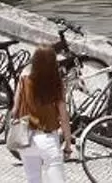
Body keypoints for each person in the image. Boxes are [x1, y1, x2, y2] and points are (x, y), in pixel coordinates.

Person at [12, 42, 69, 182]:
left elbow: (15, 109)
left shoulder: (24, 79)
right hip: (48, 139)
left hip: (27, 137)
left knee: (33, 179)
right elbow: (64, 117)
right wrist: (67, 142)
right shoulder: (56, 84)